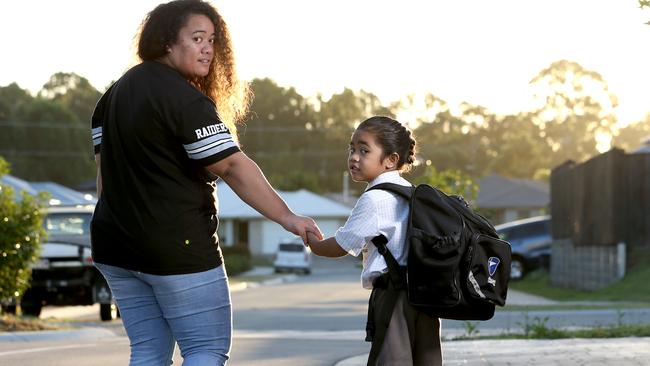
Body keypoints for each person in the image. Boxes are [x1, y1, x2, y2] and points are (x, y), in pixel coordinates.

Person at [90, 1, 322, 365]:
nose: (208, 49)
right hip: (175, 246)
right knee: (205, 350)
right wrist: (287, 217)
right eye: (197, 38)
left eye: (212, 40)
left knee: (148, 351)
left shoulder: (112, 95)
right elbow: (230, 166)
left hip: (113, 244)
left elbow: (104, 178)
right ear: (167, 42)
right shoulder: (184, 99)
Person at [307, 116, 442, 366]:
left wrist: (314, 244)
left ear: (391, 160)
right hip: (424, 297)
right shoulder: (410, 192)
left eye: (364, 150)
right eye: (352, 148)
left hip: (395, 297)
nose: (354, 157)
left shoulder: (374, 200)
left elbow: (342, 244)